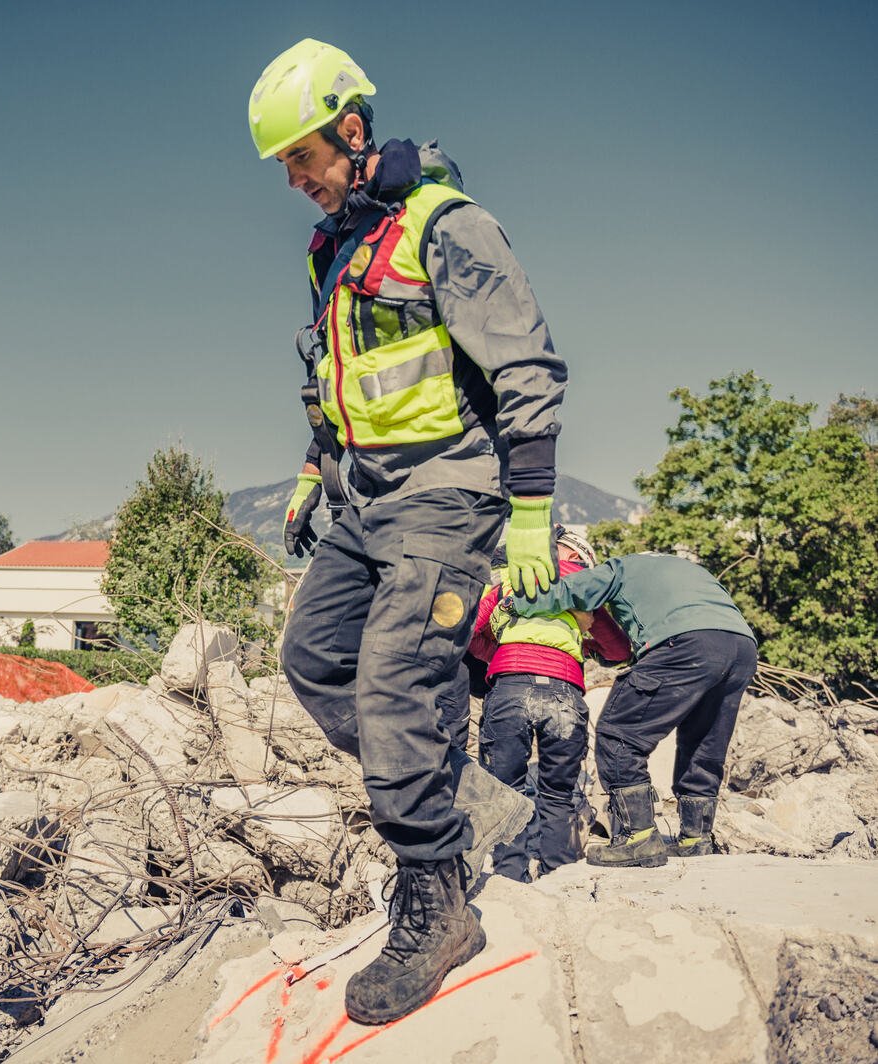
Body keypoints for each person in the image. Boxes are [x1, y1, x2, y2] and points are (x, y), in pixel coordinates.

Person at [250, 39, 567, 1024]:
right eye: (283, 168)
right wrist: (312, 470)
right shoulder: (332, 248)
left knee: (397, 674)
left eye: (302, 156)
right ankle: (465, 795)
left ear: (352, 128)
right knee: (312, 658)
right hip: (371, 503)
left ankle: (437, 899)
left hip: (453, 496)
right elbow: (337, 382)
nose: (295, 180)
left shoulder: (445, 224)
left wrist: (533, 517)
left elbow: (528, 369)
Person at [503, 551, 758, 867]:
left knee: (619, 733)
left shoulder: (620, 567)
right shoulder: (691, 571)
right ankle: (696, 838)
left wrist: (516, 604)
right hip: (742, 647)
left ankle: (638, 839)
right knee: (704, 741)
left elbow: (570, 591)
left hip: (685, 642)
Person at [469, 527, 632, 882]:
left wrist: (502, 653)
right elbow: (619, 650)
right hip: (563, 692)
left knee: (505, 790)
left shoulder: (513, 577)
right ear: (578, 557)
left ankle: (509, 877)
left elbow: (469, 630)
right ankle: (557, 876)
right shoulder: (584, 585)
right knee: (557, 793)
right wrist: (586, 646)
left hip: (510, 686)